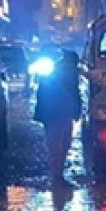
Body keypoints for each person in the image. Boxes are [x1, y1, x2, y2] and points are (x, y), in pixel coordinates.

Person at [34, 50, 82, 187]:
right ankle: (57, 176)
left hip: (59, 115)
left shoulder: (64, 73)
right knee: (57, 146)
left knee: (62, 144)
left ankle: (58, 174)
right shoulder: (61, 75)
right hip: (55, 116)